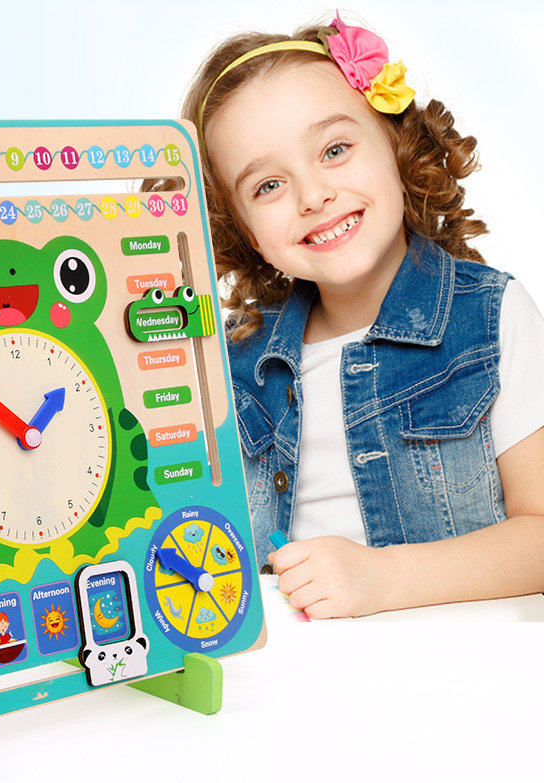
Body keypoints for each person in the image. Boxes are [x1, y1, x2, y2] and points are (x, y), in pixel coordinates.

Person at [185, 12, 544, 617]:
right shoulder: (230, 360)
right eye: (268, 186)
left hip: (461, 657)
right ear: (243, 230)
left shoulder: (492, 317)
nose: (313, 196)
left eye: (335, 150)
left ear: (395, 146)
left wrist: (383, 578)